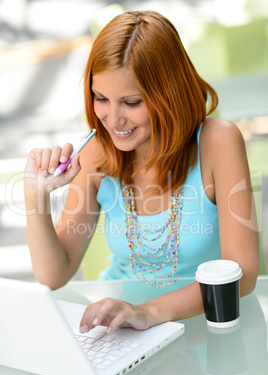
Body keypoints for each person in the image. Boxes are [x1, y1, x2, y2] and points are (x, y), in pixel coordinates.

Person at [24, 10, 259, 335]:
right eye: (100, 98)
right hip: (119, 325)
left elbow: (242, 273)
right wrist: (35, 195)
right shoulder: (96, 153)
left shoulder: (218, 141)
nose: (112, 119)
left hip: (206, 322)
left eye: (132, 102)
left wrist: (148, 312)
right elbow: (53, 274)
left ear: (169, 94)